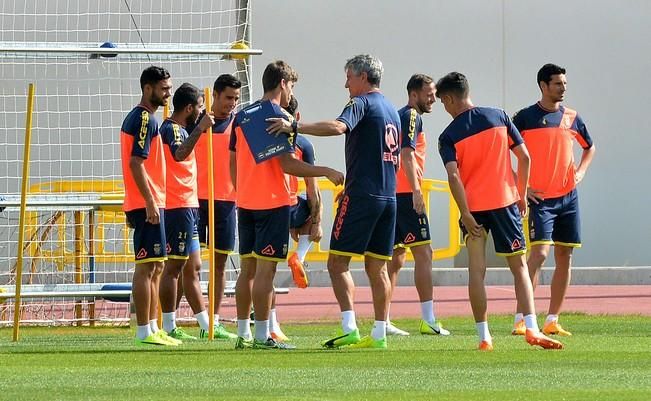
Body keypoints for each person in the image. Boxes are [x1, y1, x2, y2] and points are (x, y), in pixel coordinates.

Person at [268, 54, 400, 349]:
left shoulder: (361, 103)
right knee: (377, 267)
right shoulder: (392, 109)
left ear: (363, 77)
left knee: (338, 263)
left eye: (349, 78)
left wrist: (294, 127)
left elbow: (339, 127)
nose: (345, 84)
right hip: (388, 196)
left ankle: (350, 327)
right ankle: (379, 334)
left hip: (363, 196)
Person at [436, 71, 563, 351]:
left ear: (448, 99)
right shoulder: (499, 116)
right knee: (519, 268)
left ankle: (484, 337)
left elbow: (453, 177)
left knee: (476, 270)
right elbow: (524, 157)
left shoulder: (448, 136)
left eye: (443, 103)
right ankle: (531, 329)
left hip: (475, 209)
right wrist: (521, 193)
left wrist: (465, 213)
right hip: (505, 202)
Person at [230, 60, 344, 350]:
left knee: (248, 270)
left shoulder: (242, 115)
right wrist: (326, 171)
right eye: (291, 85)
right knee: (266, 272)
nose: (292, 91)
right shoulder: (278, 117)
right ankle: (262, 337)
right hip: (272, 203)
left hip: (245, 202)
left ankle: (243, 334)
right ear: (282, 83)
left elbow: (232, 162)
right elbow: (288, 164)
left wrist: (242, 189)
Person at [511, 64, 596, 337]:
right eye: (558, 83)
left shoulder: (572, 117)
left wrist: (581, 172)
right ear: (543, 86)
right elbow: (500, 153)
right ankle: (522, 318)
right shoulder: (524, 118)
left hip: (568, 198)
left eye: (564, 83)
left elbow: (589, 146)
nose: (563, 88)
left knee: (564, 255)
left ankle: (552, 319)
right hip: (541, 200)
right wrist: (521, 186)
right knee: (539, 254)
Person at [386, 74, 449, 337]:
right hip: (404, 195)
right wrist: (416, 191)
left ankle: (383, 320)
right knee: (424, 254)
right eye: (429, 93)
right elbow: (407, 153)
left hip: (391, 194)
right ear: (414, 94)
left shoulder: (398, 115)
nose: (433, 98)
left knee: (395, 259)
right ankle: (428, 319)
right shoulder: (412, 116)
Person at [120, 66, 177, 346]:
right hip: (147, 203)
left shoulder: (145, 118)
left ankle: (153, 328)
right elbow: (135, 163)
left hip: (152, 201)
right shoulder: (144, 119)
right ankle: (144, 329)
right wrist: (150, 201)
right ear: (148, 89)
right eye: (164, 88)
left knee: (156, 266)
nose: (168, 93)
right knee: (146, 266)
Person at [158, 83, 216, 341]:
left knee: (194, 266)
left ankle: (205, 324)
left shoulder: (182, 129)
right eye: (200, 108)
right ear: (190, 108)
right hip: (176, 205)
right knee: (174, 267)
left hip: (189, 205)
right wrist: (201, 129)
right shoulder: (171, 129)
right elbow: (179, 154)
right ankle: (168, 325)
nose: (202, 113)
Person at [268, 95, 324, 343]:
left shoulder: (264, 139)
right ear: (296, 118)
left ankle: (265, 324)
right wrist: (318, 222)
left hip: (261, 206)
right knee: (313, 209)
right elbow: (312, 189)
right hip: (288, 206)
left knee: (261, 271)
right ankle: (299, 255)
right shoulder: (302, 143)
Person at [193, 74, 243, 340]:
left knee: (220, 264)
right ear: (215, 95)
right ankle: (175, 320)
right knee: (189, 264)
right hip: (194, 201)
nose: (231, 103)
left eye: (235, 98)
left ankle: (212, 320)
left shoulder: (238, 125)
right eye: (227, 98)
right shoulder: (197, 122)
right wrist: (200, 127)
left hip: (226, 200)